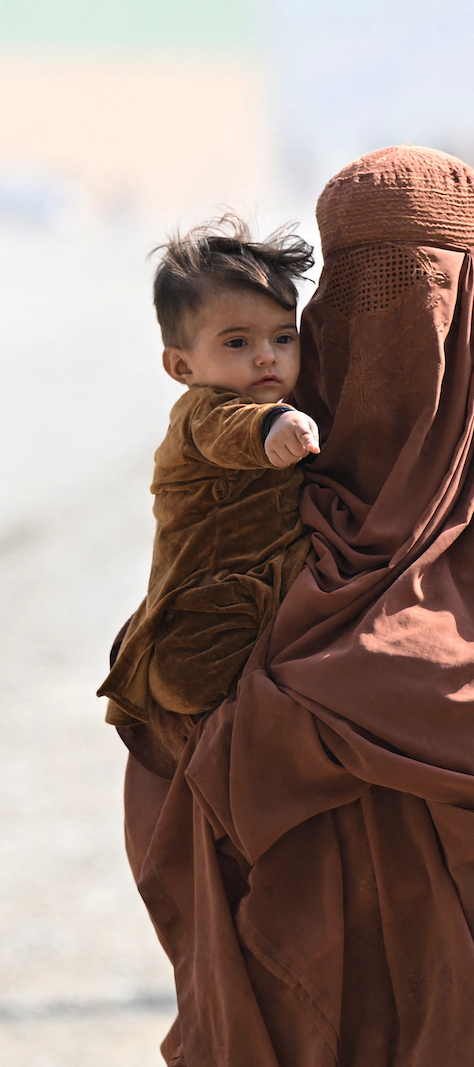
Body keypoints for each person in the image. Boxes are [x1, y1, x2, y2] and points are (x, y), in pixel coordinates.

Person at [120, 146, 474, 1066]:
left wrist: (328, 708)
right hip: (336, 910)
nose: (393, 327)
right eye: (359, 293)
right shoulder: (298, 441)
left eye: (423, 288)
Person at [99, 218, 322, 776]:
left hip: (273, 571)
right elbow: (235, 432)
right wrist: (276, 428)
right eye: (238, 342)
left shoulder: (288, 391)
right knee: (182, 678)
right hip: (208, 591)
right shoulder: (202, 411)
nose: (267, 357)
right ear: (183, 366)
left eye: (283, 337)